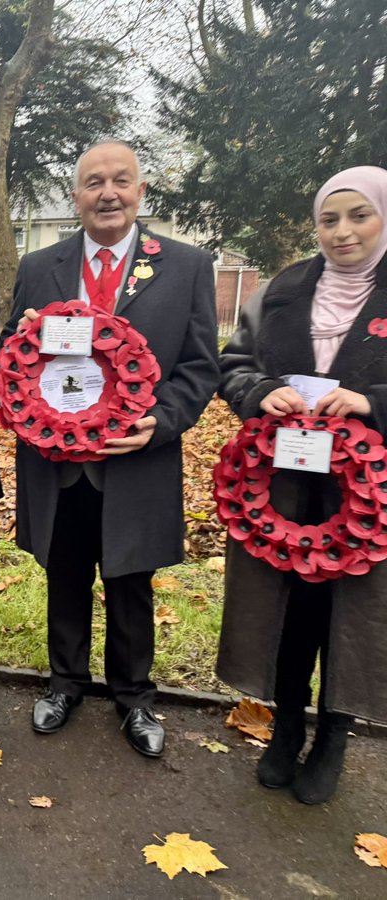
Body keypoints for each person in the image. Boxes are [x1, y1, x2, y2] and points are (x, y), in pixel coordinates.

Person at [4, 140, 219, 757]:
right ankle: (65, 683)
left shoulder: (185, 266)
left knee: (131, 582)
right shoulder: (40, 265)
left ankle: (134, 696)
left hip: (136, 458)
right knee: (64, 575)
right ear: (76, 197)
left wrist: (162, 421)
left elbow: (202, 366)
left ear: (139, 190)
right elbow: (12, 351)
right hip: (60, 461)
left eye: (120, 181)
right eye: (94, 183)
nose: (107, 193)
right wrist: (16, 337)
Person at [216, 165, 387, 804]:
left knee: (350, 618)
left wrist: (371, 403)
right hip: (283, 489)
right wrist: (261, 391)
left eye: (358, 216)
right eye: (329, 219)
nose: (342, 232)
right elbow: (232, 363)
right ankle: (286, 728)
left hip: (370, 498)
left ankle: (333, 739)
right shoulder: (285, 288)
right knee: (289, 614)